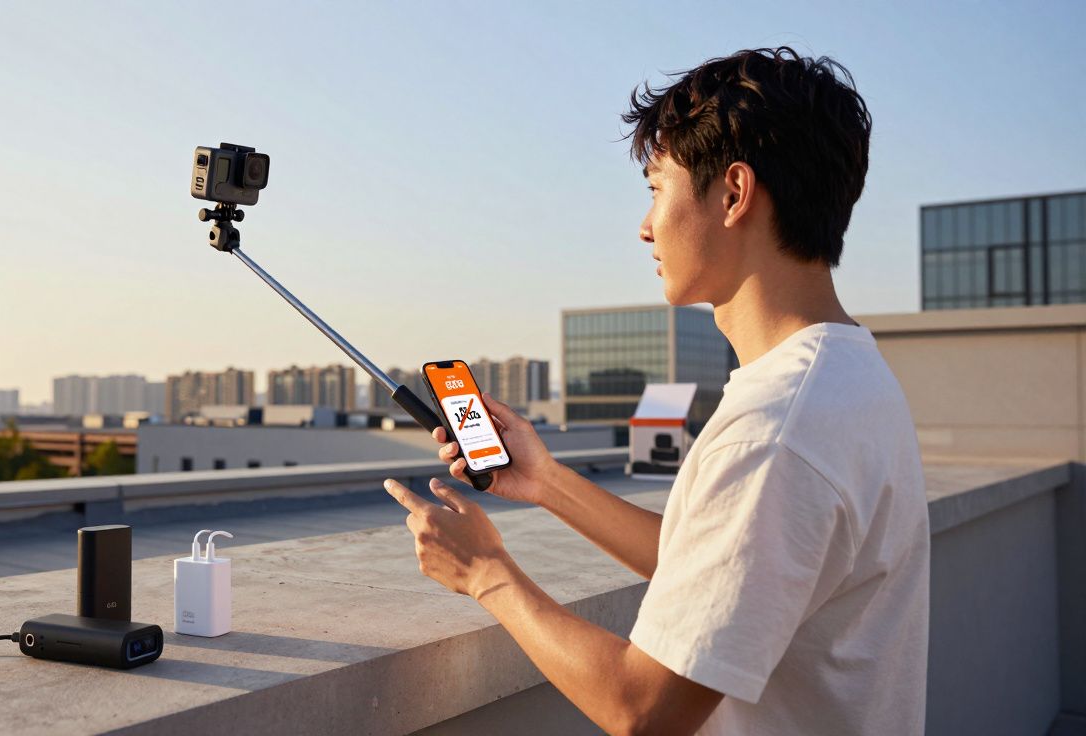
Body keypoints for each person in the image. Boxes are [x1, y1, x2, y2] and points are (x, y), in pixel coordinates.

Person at [384, 47, 929, 736]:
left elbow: (643, 709)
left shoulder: (777, 428)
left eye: (656, 188)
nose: (645, 227)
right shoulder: (845, 374)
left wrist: (485, 572)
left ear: (733, 194)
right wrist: (547, 482)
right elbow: (719, 568)